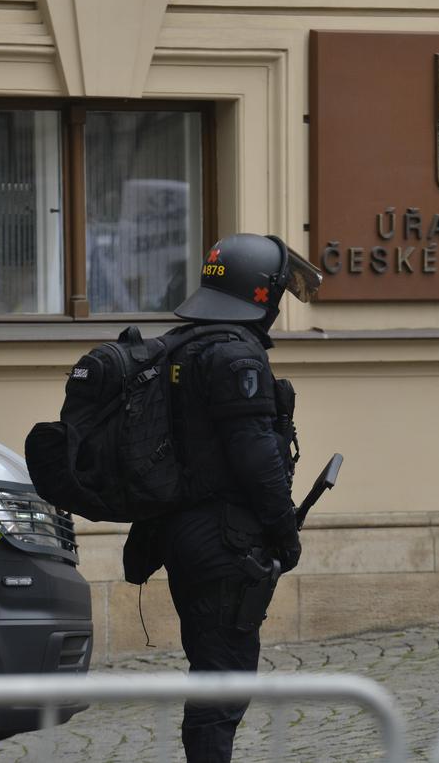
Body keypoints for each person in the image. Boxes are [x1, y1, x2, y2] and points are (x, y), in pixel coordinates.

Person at [122, 233, 322, 763]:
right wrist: (284, 529)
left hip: (184, 532)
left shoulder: (184, 346)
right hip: (223, 540)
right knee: (223, 678)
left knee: (212, 669)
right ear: (262, 294)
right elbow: (255, 456)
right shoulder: (237, 358)